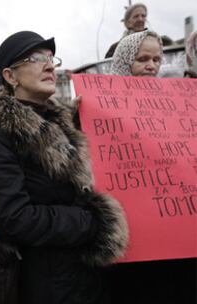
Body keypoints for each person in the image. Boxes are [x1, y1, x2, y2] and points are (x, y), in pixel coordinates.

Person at [0, 31, 128, 304]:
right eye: (35, 58)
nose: (49, 65)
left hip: (92, 277)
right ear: (11, 76)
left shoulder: (65, 122)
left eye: (50, 58)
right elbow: (14, 218)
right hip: (44, 284)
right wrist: (91, 222)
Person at [108, 29, 196, 304]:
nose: (151, 66)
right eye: (142, 58)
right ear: (124, 61)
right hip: (133, 240)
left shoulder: (177, 104)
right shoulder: (99, 108)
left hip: (179, 236)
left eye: (157, 60)